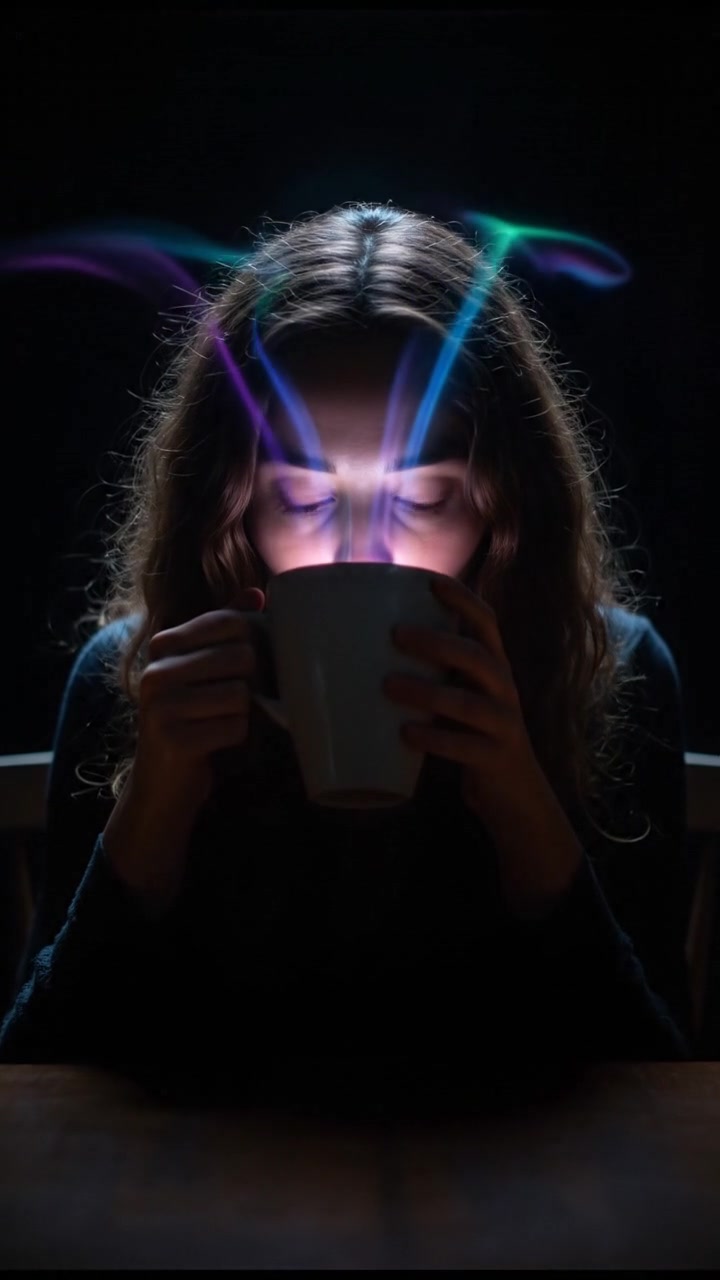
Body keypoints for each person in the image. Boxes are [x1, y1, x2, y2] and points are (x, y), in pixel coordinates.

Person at [0, 204, 694, 1111]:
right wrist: (156, 803)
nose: (359, 554)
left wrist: (521, 803)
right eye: (302, 496)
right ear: (232, 506)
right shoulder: (132, 681)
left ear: (505, 510)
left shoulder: (611, 675)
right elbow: (36, 1086)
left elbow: (665, 1095)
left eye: (421, 499)